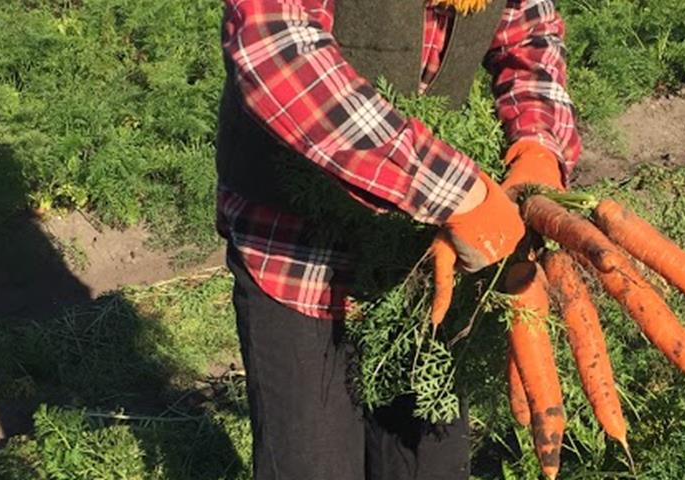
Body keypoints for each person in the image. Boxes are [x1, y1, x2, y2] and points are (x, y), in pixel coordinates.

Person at [215, 0, 580, 478]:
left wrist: (538, 146)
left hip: (421, 263)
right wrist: (454, 193)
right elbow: (274, 42)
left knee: (429, 463)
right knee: (312, 462)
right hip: (296, 252)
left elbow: (530, 34)